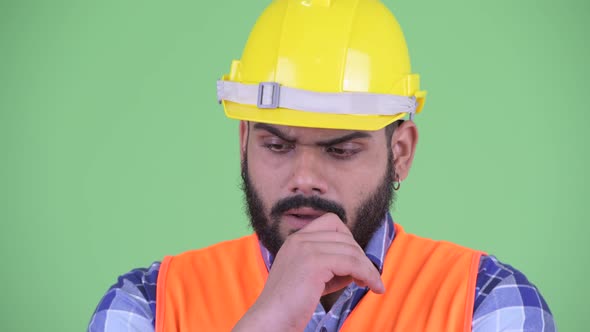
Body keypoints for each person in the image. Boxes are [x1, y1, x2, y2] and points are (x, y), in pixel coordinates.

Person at [88, 0, 556, 331]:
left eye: (340, 149)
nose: (304, 178)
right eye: (277, 145)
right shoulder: (149, 305)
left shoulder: (488, 301)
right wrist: (265, 323)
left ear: (401, 153)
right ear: (244, 142)